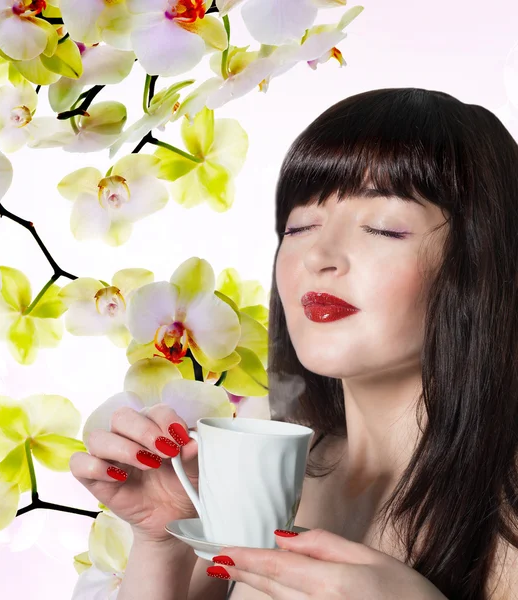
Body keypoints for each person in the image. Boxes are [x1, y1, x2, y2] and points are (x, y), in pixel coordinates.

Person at [70, 87, 518, 600]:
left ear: (482, 260)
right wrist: (161, 540)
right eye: (299, 225)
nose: (318, 255)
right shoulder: (274, 478)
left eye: (382, 228)